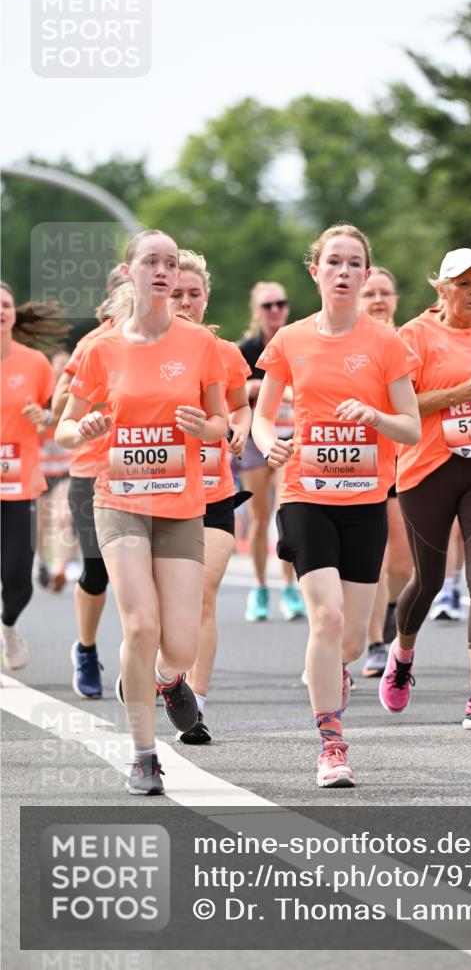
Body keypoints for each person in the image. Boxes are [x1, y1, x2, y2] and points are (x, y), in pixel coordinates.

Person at [56, 230, 227, 795]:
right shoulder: (100, 348)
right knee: (139, 623)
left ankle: (166, 678)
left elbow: (222, 422)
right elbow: (63, 426)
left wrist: (207, 430)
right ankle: (143, 753)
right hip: (119, 499)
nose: (162, 271)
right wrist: (82, 428)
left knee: (178, 641)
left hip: (180, 504)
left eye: (170, 264)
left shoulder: (199, 345)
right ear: (129, 271)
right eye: (151, 261)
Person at [252, 223, 421, 787]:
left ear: (367, 273)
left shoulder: (386, 343)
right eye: (334, 262)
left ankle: (335, 674)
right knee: (323, 616)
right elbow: (261, 411)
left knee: (348, 639)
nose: (344, 272)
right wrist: (265, 440)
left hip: (366, 499)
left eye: (355, 263)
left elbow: (412, 427)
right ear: (315, 272)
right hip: (305, 494)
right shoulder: (291, 340)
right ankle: (332, 743)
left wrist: (375, 418)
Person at [379, 248, 471, 729]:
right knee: (427, 579)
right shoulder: (414, 336)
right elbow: (401, 408)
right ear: (441, 288)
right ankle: (402, 655)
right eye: (462, 284)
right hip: (428, 467)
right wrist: (454, 396)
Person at [168, 250, 252, 743]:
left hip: (214, 491)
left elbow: (240, 405)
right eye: (176, 293)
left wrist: (238, 429)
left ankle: (195, 703)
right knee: (163, 604)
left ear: (207, 298)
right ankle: (159, 669)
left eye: (193, 294)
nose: (184, 302)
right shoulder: (144, 350)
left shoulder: (225, 354)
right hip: (161, 495)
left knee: (203, 594)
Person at [51, 272, 131, 699]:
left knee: (151, 572)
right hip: (93, 469)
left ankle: (142, 661)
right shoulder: (93, 344)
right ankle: (85, 649)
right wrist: (84, 411)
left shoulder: (169, 340)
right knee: (97, 569)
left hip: (146, 472)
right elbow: (58, 405)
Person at [1, 287, 63, 668]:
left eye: (5, 305)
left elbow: (53, 415)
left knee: (18, 576)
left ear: (14, 314)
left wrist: (46, 418)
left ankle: (8, 625)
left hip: (18, 483)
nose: (0, 312)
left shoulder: (35, 363)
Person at [236, 283, 305, 623]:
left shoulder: (299, 342)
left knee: (286, 513)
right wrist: (250, 389)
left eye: (281, 303)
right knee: (260, 517)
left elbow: (305, 388)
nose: (275, 310)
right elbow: (234, 392)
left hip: (291, 435)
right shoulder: (246, 350)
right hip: (254, 440)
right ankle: (261, 587)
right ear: (257, 311)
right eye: (268, 305)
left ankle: (288, 587)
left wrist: (263, 388)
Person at [357, 267, 413, 678]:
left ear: (395, 299)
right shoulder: (348, 340)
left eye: (385, 293)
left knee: (403, 562)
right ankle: (376, 643)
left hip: (406, 459)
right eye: (370, 293)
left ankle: (392, 615)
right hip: (359, 461)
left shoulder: (409, 340)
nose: (378, 300)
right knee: (374, 558)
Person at [37, 349, 78, 592]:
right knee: (42, 527)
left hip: (65, 467)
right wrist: (50, 418)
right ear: (50, 368)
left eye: (68, 365)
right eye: (60, 365)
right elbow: (34, 428)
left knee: (63, 517)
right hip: (39, 470)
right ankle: (43, 562)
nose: (65, 370)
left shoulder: (75, 394)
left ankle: (60, 568)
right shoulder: (39, 394)